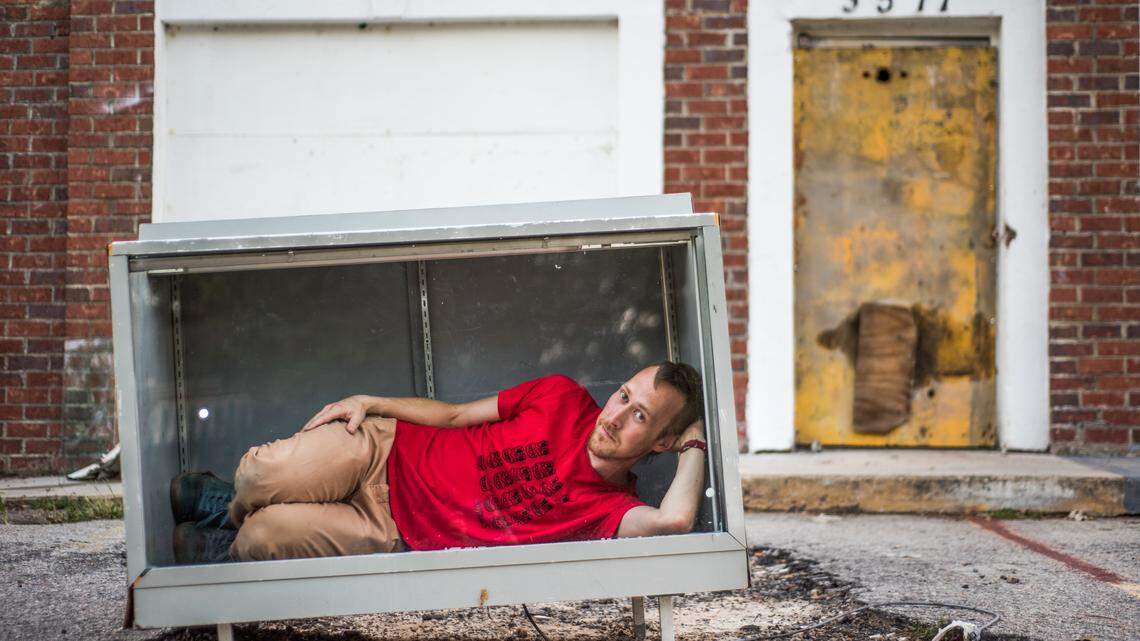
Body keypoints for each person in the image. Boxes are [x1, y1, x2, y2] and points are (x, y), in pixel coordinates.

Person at [169, 362, 708, 563]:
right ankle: (229, 504)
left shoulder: (609, 509)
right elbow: (453, 415)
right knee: (262, 474)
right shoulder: (561, 395)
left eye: (640, 416)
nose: (615, 416)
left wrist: (695, 441)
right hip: (385, 450)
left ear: (662, 441)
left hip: (392, 529)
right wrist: (370, 402)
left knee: (265, 538)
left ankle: (234, 536)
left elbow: (675, 520)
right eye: (623, 395)